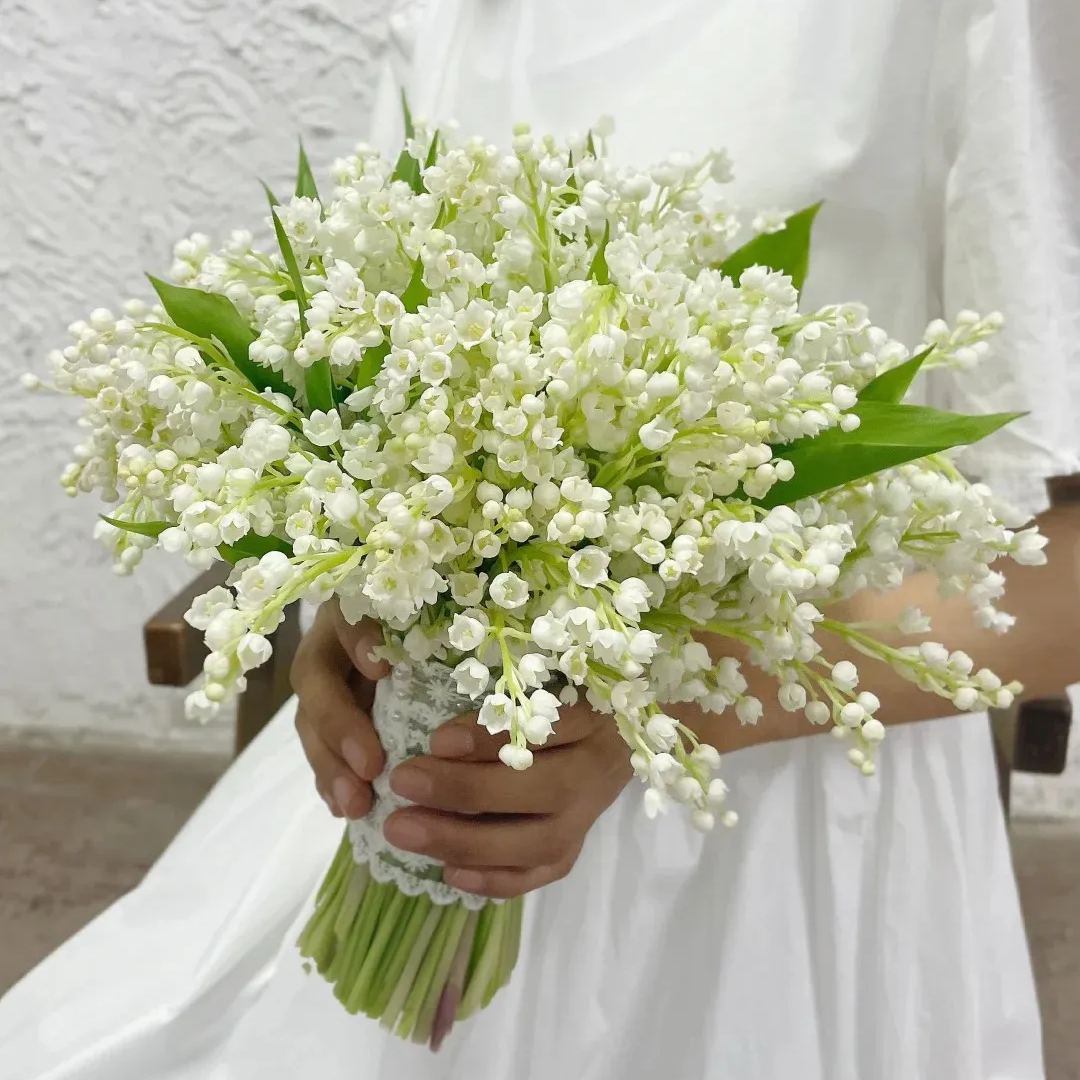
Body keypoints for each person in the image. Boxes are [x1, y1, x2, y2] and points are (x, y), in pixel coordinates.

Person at [4, 1, 1079, 1077]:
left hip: (793, 822)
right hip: (443, 751)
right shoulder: (456, 17)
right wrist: (354, 609)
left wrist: (660, 706)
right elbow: (376, 362)